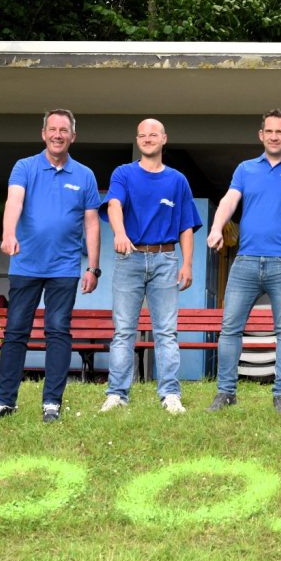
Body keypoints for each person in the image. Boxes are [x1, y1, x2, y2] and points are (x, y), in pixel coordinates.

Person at [0, 109, 101, 424]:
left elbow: (91, 224)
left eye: (64, 130)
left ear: (73, 136)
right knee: (15, 331)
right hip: (26, 265)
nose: (57, 135)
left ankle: (52, 403)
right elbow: (14, 201)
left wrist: (93, 268)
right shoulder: (25, 167)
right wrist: (8, 233)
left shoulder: (85, 175)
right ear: (43, 133)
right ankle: (5, 401)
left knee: (58, 331)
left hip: (64, 267)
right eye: (52, 129)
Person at [205, 109, 281, 416]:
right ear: (261, 135)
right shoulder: (245, 169)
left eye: (279, 131)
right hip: (245, 261)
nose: (274, 136)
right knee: (230, 328)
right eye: (269, 131)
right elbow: (230, 199)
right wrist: (217, 227)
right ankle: (226, 392)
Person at [100, 118, 203, 415]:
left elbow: (186, 226)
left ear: (164, 139)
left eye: (153, 134)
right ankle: (116, 394)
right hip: (129, 257)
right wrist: (119, 233)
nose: (147, 139)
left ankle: (170, 394)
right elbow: (114, 204)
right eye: (142, 135)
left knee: (166, 331)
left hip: (165, 259)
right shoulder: (123, 173)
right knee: (123, 331)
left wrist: (188, 264)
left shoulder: (178, 180)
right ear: (137, 140)